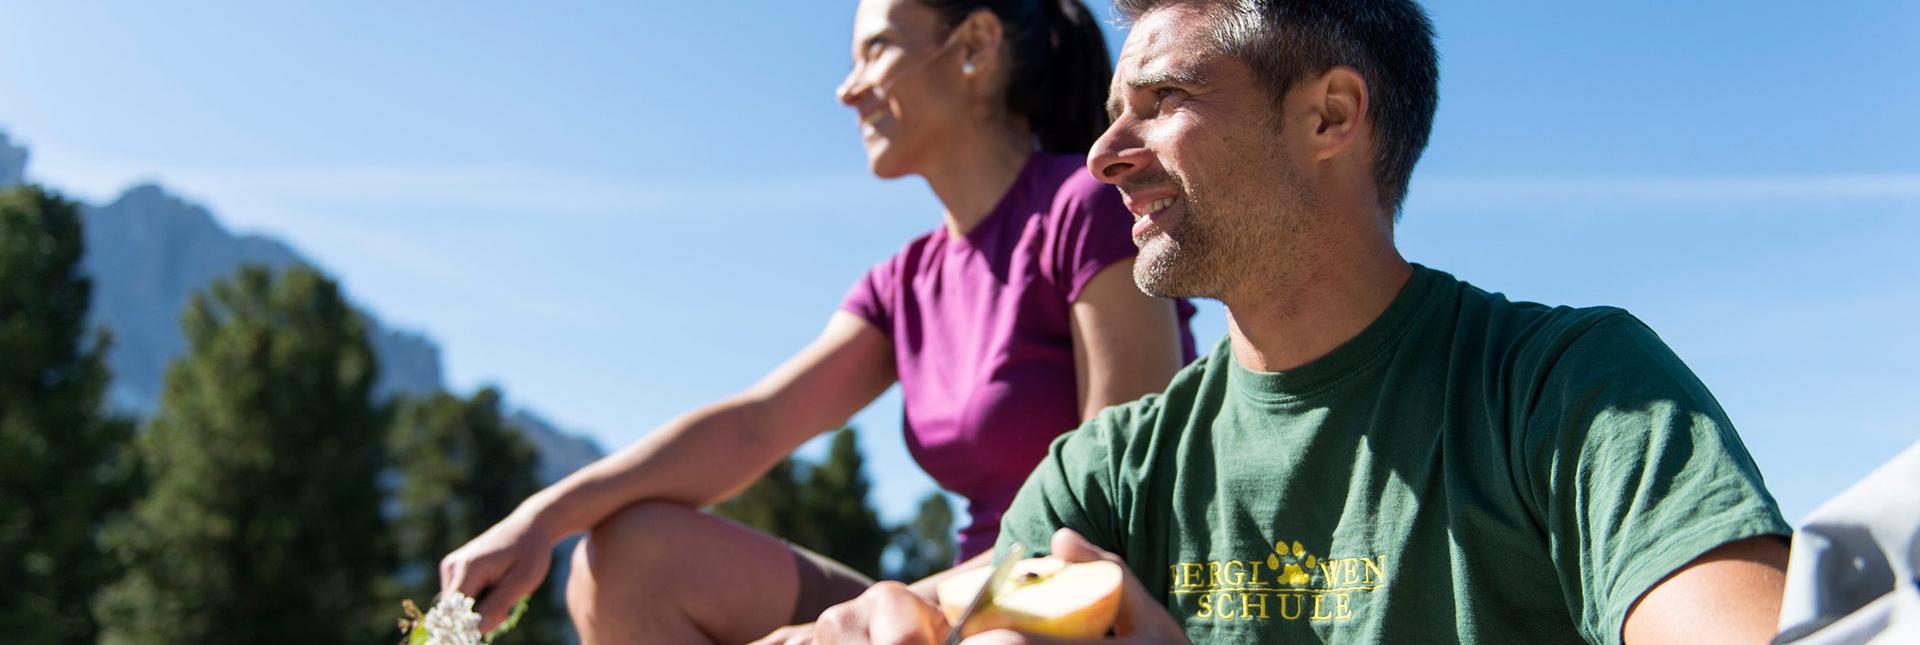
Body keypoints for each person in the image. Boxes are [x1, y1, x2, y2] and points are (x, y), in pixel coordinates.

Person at [812, 1, 1794, 643]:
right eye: (1113, 110)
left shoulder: (1577, 395)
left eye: (1163, 99)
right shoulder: (1105, 476)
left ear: (1329, 116)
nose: (1105, 154)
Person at [438, 0, 1199, 642]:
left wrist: (856, 622)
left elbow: (1112, 502)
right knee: (629, 556)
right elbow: (756, 425)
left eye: (876, 52)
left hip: (1065, 602)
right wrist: (542, 520)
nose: (846, 89)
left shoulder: (1089, 208)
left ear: (973, 47)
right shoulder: (904, 282)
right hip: (951, 605)